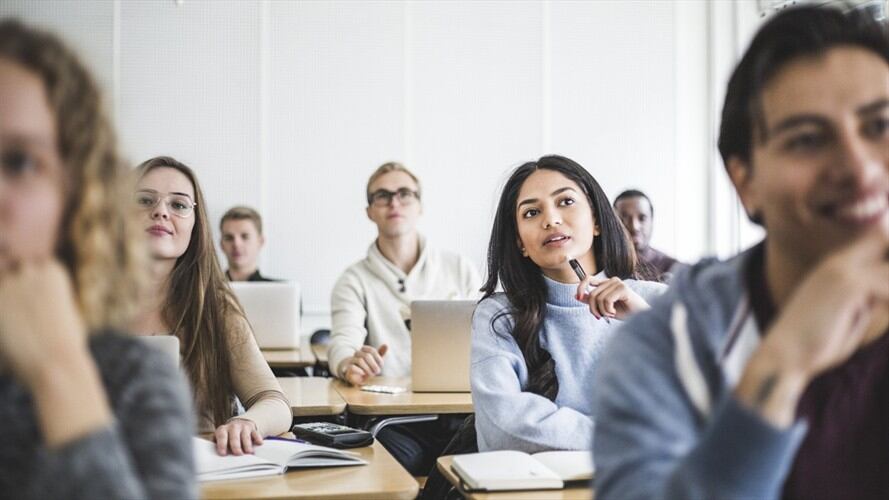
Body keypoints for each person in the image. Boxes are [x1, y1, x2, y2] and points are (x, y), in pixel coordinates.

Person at [593, 6, 889, 499]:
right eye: (808, 139)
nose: (859, 169)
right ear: (745, 181)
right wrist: (781, 366)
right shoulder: (664, 350)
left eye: (880, 126)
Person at [0, 20, 196, 499]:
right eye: (146, 201)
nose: (161, 215)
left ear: (77, 194)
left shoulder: (131, 379)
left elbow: (267, 395)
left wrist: (61, 377)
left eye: (20, 162)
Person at [471, 155, 665, 453]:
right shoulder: (499, 317)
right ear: (521, 243)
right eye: (532, 212)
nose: (551, 219)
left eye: (565, 202)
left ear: (597, 220)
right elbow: (505, 430)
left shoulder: (654, 301)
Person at [132, 156, 292, 456]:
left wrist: (247, 422)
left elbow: (275, 402)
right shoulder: (83, 305)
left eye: (178, 205)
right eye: (144, 200)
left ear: (195, 225)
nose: (160, 212)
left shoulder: (215, 308)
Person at [328, 161, 480, 474]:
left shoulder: (459, 267)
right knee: (395, 461)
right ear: (369, 210)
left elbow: (487, 340)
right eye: (382, 196)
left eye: (404, 194)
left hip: (462, 413)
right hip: (396, 420)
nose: (394, 202)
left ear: (419, 205)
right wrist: (348, 364)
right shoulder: (353, 279)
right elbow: (342, 342)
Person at [613, 189, 678, 281]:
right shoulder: (602, 266)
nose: (634, 226)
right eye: (624, 218)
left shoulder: (674, 269)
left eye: (642, 218)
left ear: (652, 221)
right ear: (613, 223)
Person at [220, 205, 277, 282]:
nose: (236, 244)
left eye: (245, 237)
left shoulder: (284, 290)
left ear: (260, 242)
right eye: (229, 238)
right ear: (221, 244)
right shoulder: (204, 290)